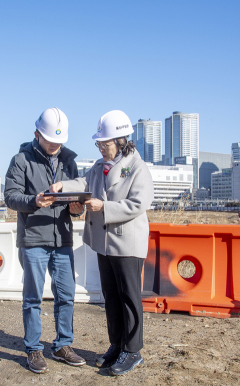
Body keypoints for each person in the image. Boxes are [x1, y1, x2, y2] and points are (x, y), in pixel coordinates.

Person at [50, 110, 154, 376]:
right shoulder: (98, 166)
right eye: (99, 144)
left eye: (104, 144)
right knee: (110, 297)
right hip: (104, 243)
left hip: (127, 243)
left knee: (129, 297)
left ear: (120, 141)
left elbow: (139, 203)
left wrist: (104, 206)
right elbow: (84, 181)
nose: (101, 148)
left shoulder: (136, 167)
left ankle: (132, 351)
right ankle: (116, 344)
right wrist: (64, 185)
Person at [4, 107, 86, 374]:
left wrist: (77, 209)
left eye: (60, 142)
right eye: (51, 141)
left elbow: (77, 196)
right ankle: (33, 349)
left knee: (67, 296)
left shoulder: (68, 161)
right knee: (33, 298)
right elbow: (10, 197)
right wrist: (34, 201)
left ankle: (63, 345)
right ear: (37, 134)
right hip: (33, 239)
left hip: (62, 238)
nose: (56, 146)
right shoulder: (21, 160)